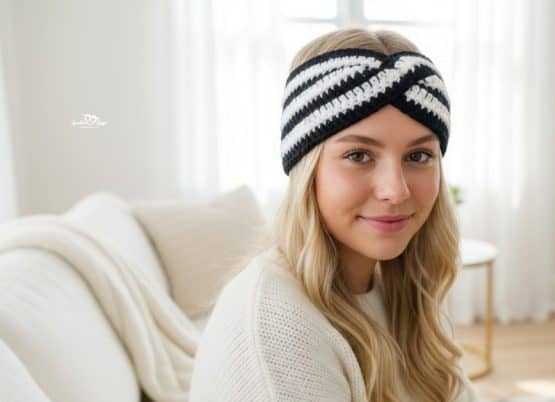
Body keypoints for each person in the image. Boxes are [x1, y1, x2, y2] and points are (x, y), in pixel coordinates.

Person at [189, 27, 479, 402]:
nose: (396, 190)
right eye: (359, 155)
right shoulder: (277, 329)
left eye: (418, 156)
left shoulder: (398, 286)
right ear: (307, 168)